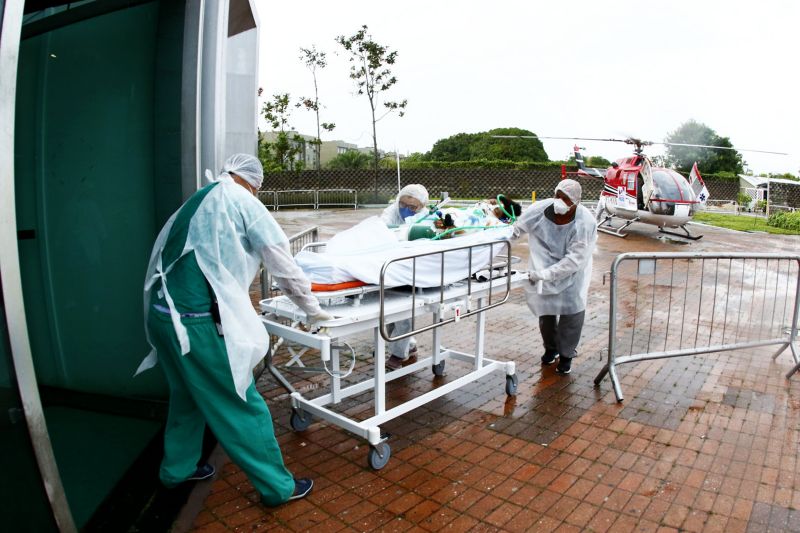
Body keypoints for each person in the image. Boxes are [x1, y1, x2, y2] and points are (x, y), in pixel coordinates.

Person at [136, 154, 332, 506]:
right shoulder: (243, 202)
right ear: (253, 183)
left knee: (187, 397)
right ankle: (278, 488)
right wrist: (313, 311)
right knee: (241, 402)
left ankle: (175, 472)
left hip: (163, 317)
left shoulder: (202, 198)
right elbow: (283, 265)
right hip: (195, 326)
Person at [512, 179, 597, 375]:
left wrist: (545, 274)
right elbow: (517, 229)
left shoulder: (585, 222)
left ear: (575, 202)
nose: (559, 200)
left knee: (572, 312)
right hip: (543, 266)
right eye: (557, 195)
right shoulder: (540, 210)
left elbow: (575, 260)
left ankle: (566, 355)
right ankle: (550, 348)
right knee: (546, 312)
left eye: (565, 198)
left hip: (572, 273)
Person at [380, 184, 429, 369]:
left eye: (412, 207)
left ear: (421, 206)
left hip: (413, 269)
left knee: (404, 313)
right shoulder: (391, 212)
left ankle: (397, 355)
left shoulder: (425, 216)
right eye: (403, 204)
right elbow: (382, 228)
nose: (406, 209)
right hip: (391, 268)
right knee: (390, 313)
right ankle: (410, 346)